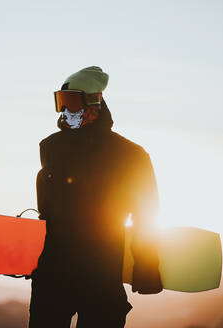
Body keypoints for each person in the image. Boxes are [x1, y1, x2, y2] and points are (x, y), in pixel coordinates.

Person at [29, 66, 163, 328]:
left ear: (94, 101)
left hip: (101, 275)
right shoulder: (51, 147)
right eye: (61, 101)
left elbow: (146, 213)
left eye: (72, 101)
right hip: (53, 277)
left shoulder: (130, 155)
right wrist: (30, 255)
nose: (66, 109)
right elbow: (48, 212)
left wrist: (147, 267)